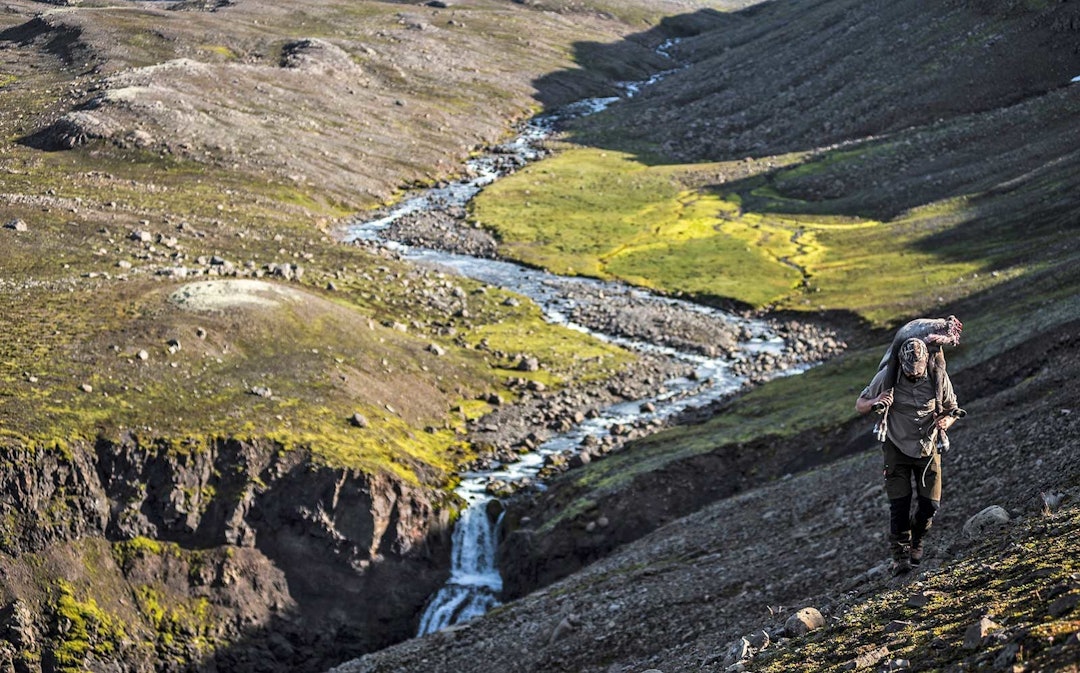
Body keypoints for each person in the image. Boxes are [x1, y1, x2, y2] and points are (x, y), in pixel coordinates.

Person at [856, 336, 961, 575]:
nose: (914, 375)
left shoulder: (938, 377)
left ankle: (917, 539)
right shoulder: (887, 377)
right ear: (902, 364)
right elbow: (860, 405)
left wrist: (947, 420)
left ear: (926, 362)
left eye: (918, 371)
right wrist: (876, 401)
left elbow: (951, 406)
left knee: (930, 505)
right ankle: (900, 556)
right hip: (896, 447)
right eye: (909, 372)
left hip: (927, 447)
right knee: (899, 504)